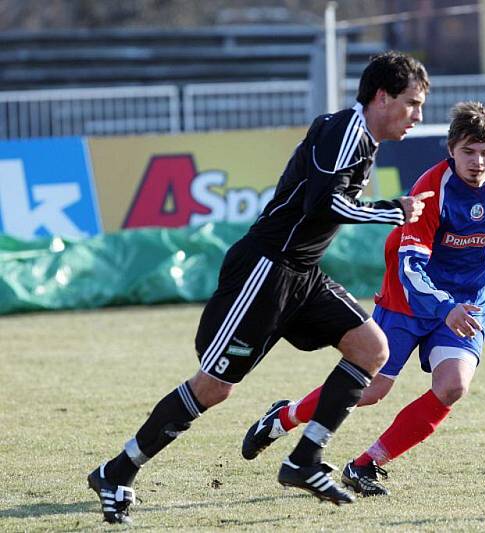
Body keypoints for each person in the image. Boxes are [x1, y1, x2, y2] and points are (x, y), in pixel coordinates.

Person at [87, 51, 433, 524]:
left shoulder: (363, 140)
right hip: (265, 270)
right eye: (412, 103)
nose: (418, 115)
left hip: (301, 274)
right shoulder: (344, 130)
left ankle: (304, 460)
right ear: (381, 96)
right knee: (213, 387)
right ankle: (117, 471)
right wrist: (393, 210)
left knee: (372, 348)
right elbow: (323, 203)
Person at [241, 101, 485, 497]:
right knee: (370, 391)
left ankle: (366, 464)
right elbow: (410, 267)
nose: (478, 161)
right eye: (468, 151)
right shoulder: (430, 192)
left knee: (452, 387)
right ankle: (283, 418)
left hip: (467, 302)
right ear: (451, 150)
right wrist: (442, 308)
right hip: (409, 300)